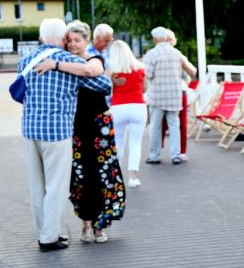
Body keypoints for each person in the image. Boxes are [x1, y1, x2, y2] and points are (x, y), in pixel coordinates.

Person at [21, 18, 111, 252]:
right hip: (56, 131)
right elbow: (104, 84)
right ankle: (49, 237)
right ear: (62, 38)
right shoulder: (70, 61)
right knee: (56, 186)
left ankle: (44, 231)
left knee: (37, 186)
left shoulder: (26, 61)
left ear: (42, 37)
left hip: (29, 129)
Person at [37, 20, 126, 243]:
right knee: (80, 174)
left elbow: (91, 70)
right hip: (76, 124)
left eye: (78, 40)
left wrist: (54, 65)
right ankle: (86, 224)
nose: (73, 44)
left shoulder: (92, 59)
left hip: (99, 124)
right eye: (69, 40)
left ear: (86, 41)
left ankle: (100, 226)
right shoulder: (66, 60)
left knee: (102, 172)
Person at [144, 26, 196, 165]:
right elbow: (190, 73)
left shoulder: (151, 54)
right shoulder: (177, 53)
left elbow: (148, 75)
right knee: (174, 126)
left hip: (157, 97)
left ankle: (154, 156)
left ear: (155, 39)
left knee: (155, 127)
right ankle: (176, 155)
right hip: (175, 96)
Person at [109, 40, 147, 188]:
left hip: (117, 107)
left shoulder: (111, 71)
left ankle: (115, 178)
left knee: (117, 142)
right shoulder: (140, 68)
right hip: (137, 106)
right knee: (135, 143)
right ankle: (133, 177)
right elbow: (143, 89)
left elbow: (106, 90)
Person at [160, 29, 196, 162]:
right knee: (160, 122)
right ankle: (157, 148)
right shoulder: (156, 55)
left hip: (179, 91)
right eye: (166, 39)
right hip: (162, 92)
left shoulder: (179, 55)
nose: (168, 41)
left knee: (181, 122)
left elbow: (191, 73)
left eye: (170, 39)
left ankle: (181, 151)